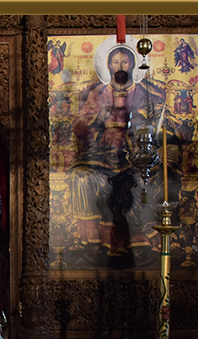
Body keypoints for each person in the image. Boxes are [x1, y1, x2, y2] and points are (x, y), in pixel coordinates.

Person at [68, 43, 161, 257]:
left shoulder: (143, 93)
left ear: (133, 64)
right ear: (108, 65)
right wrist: (98, 118)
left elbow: (156, 124)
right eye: (115, 62)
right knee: (82, 176)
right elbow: (79, 125)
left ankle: (138, 240)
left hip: (133, 154)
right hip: (101, 153)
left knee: (142, 180)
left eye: (124, 62)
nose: (120, 66)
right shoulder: (98, 93)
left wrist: (139, 122)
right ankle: (94, 238)